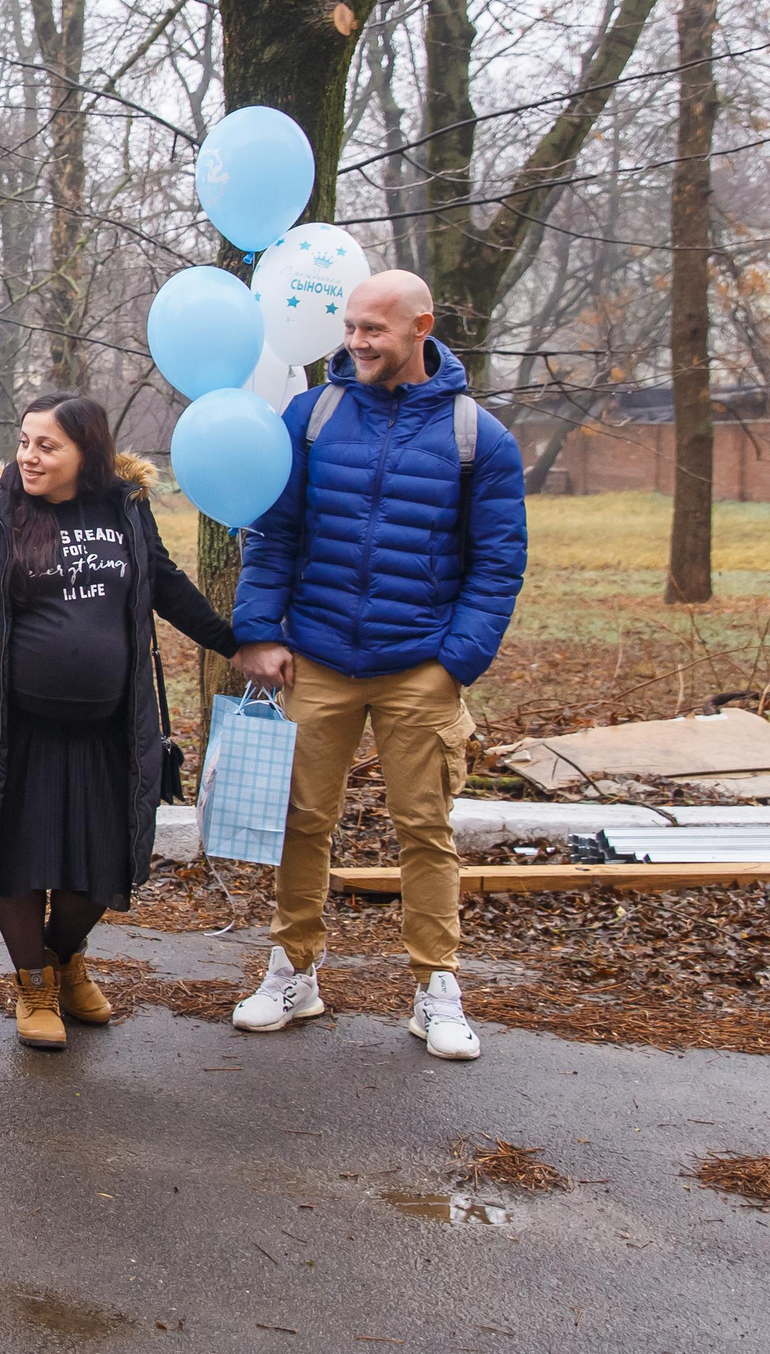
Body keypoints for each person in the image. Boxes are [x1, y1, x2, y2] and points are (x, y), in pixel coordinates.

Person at [228, 270, 527, 1061]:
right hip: (318, 654)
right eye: (350, 326)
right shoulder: (312, 417)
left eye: (374, 329)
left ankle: (437, 988)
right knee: (301, 821)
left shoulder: (479, 437)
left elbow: (498, 565)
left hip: (419, 664)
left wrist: (455, 662)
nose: (357, 342)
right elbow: (274, 533)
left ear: (421, 326)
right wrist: (259, 630)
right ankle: (293, 970)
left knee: (424, 828)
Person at [0, 393, 238, 1051]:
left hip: (110, 729)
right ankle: (34, 983)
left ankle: (64, 955)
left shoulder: (124, 509)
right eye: (24, 442)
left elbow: (166, 585)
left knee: (105, 863)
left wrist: (236, 644)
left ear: (87, 452)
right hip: (13, 728)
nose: (28, 456)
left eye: (47, 446)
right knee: (15, 860)